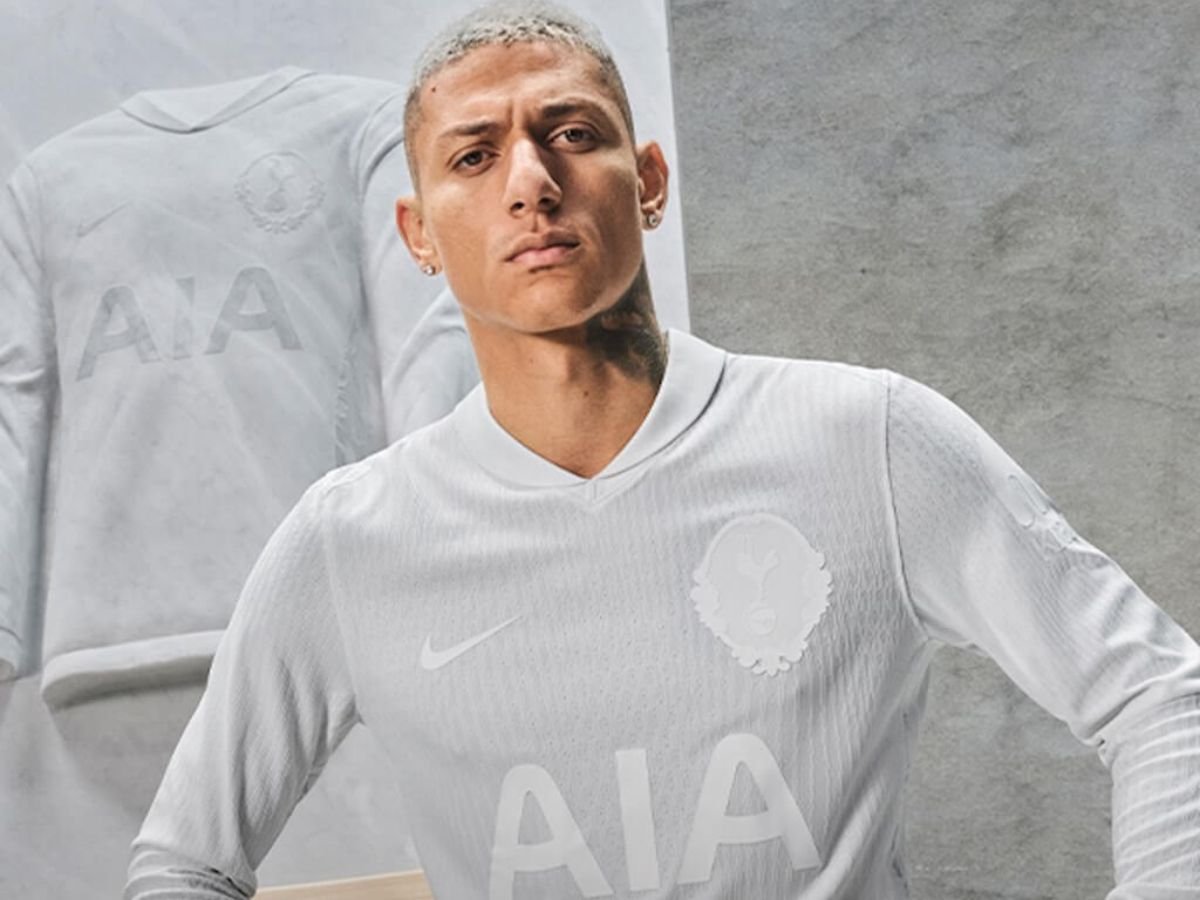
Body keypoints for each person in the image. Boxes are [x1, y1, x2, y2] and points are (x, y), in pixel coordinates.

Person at [125, 2, 1200, 898]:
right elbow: (183, 864)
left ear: (647, 180)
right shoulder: (350, 540)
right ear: (418, 235)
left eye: (571, 133)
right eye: (475, 155)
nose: (530, 181)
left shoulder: (868, 439)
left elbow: (1162, 697)